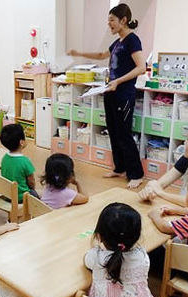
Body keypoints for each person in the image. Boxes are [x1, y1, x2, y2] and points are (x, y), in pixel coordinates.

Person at [68, 3, 146, 189]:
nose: (109, 24)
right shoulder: (118, 42)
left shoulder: (132, 40)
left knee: (124, 134)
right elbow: (103, 54)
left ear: (123, 20)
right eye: (108, 20)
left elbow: (141, 67)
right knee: (113, 131)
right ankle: (119, 168)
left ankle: (136, 174)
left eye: (112, 20)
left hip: (123, 93)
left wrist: (118, 81)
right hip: (110, 91)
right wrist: (80, 53)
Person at [85, 203, 165, 297]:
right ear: (136, 236)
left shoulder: (97, 257)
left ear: (99, 236)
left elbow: (86, 260)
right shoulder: (142, 257)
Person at [0, 124, 38, 202]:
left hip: (8, 195)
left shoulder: (5, 158)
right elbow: (31, 182)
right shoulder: (25, 161)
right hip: (22, 197)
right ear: (22, 142)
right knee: (36, 195)